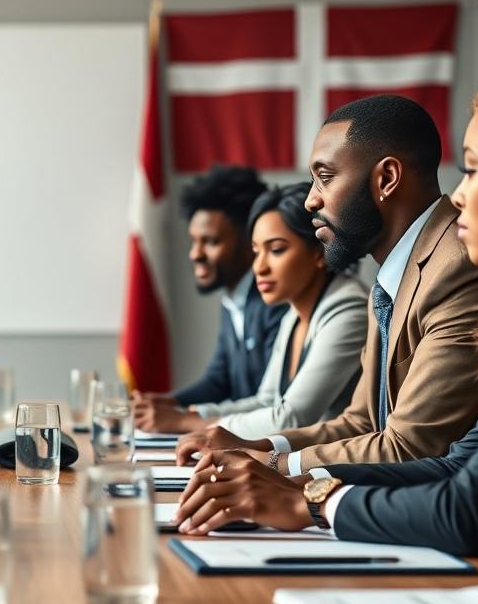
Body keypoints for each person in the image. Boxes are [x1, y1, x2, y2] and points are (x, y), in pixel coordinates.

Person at [173, 70, 478, 583]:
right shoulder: (416, 281)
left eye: (471, 171)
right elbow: (443, 460)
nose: (459, 196)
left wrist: (312, 497)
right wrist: (272, 464)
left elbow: (431, 468)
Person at [174, 95, 478, 475]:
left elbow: (409, 446)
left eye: (325, 177)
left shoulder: (462, 266)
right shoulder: (388, 278)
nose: (311, 200)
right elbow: (362, 422)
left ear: (386, 179)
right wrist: (257, 446)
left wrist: (271, 464)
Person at [137, 183, 368, 438]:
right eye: (256, 251)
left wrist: (189, 424)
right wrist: (195, 415)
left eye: (276, 250)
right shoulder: (294, 313)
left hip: (337, 470)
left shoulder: (349, 309)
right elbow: (266, 401)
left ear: (319, 252)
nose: (259, 267)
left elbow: (292, 417)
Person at [133, 165, 288, 429]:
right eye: (194, 241)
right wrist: (166, 405)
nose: (195, 254)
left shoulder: (276, 302)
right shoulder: (233, 299)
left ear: (252, 242)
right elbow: (219, 380)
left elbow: (274, 404)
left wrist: (185, 417)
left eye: (211, 242)